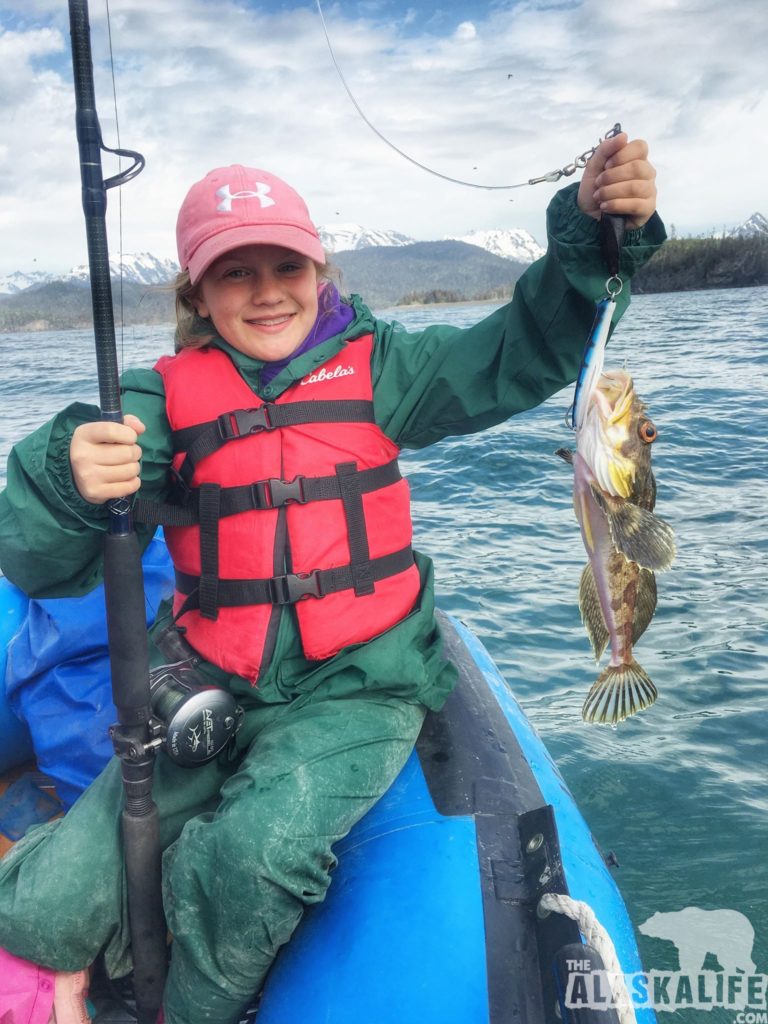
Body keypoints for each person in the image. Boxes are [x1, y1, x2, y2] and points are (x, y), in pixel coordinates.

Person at [0, 133, 664, 1024]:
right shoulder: (157, 398)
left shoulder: (386, 368)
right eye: (237, 273)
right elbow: (43, 562)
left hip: (356, 688)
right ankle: (95, 914)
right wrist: (65, 476)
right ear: (197, 292)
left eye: (289, 264)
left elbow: (522, 350)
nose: (269, 290)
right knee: (41, 915)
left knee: (254, 858)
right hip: (205, 678)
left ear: (321, 268)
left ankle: (195, 1007)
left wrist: (589, 237)